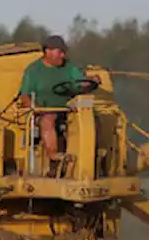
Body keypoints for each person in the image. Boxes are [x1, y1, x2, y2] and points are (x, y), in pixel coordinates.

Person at [17, 35, 99, 170]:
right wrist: (37, 110)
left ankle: (92, 160)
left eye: (64, 52)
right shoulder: (33, 70)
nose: (63, 55)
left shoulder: (69, 66)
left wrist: (92, 80)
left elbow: (80, 81)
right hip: (43, 112)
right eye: (59, 52)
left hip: (68, 109)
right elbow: (24, 95)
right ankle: (54, 156)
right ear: (47, 51)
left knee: (91, 118)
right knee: (48, 119)